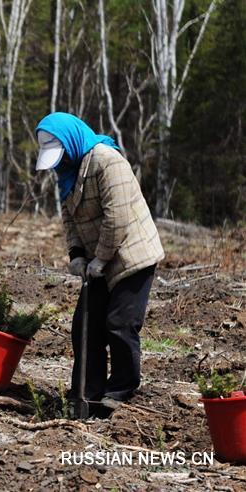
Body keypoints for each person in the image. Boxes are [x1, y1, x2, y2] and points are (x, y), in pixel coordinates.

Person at [35, 112, 164, 412]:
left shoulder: (107, 161)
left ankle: (121, 389)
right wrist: (77, 255)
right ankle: (86, 392)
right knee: (85, 324)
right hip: (98, 260)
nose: (59, 161)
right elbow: (69, 218)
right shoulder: (66, 172)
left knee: (120, 324)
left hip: (132, 255)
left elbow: (117, 218)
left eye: (60, 153)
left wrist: (101, 259)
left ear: (71, 141)